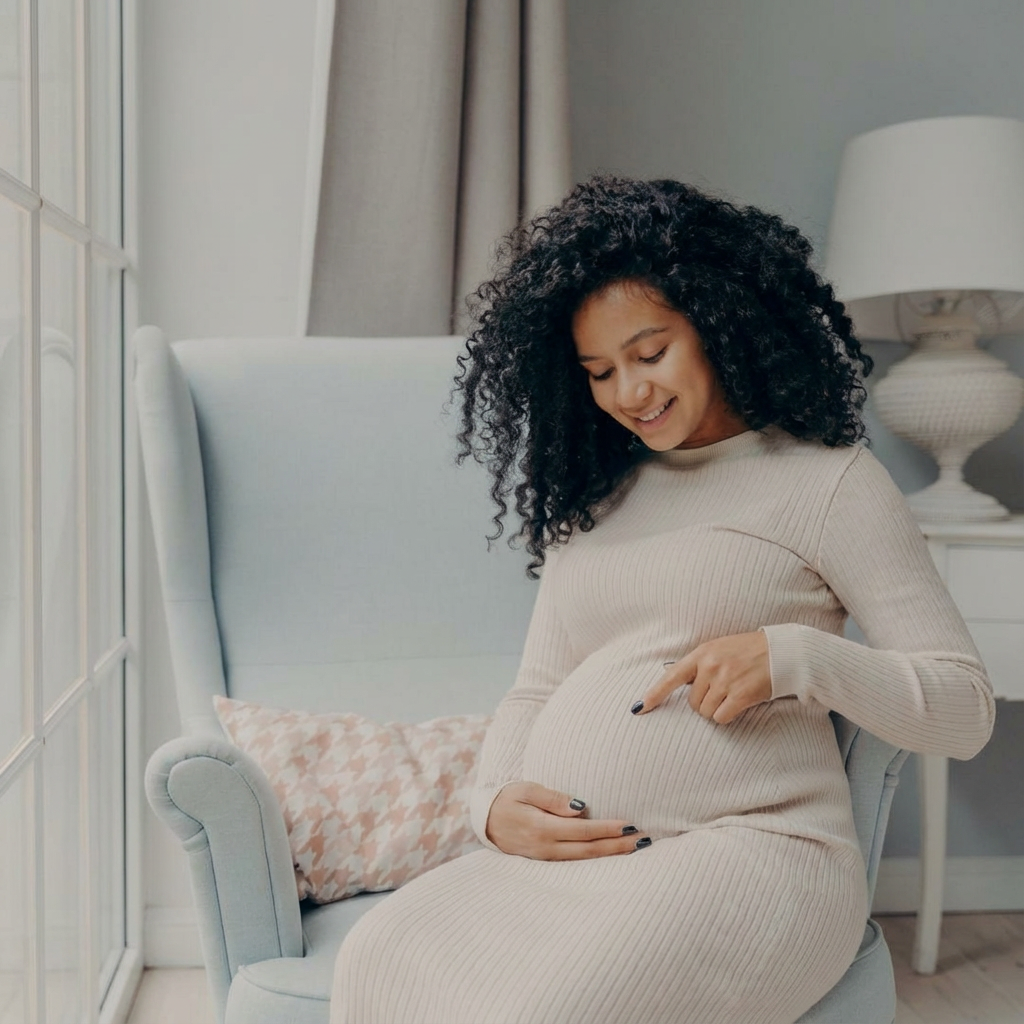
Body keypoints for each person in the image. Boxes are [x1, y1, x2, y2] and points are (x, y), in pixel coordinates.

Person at [328, 174, 995, 1024]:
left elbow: (964, 709)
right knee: (379, 959)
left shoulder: (829, 484)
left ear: (720, 325)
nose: (627, 392)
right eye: (599, 371)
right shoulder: (599, 498)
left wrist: (797, 658)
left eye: (650, 354)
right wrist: (491, 804)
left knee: (560, 1011)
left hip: (752, 853)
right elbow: (536, 688)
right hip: (577, 867)